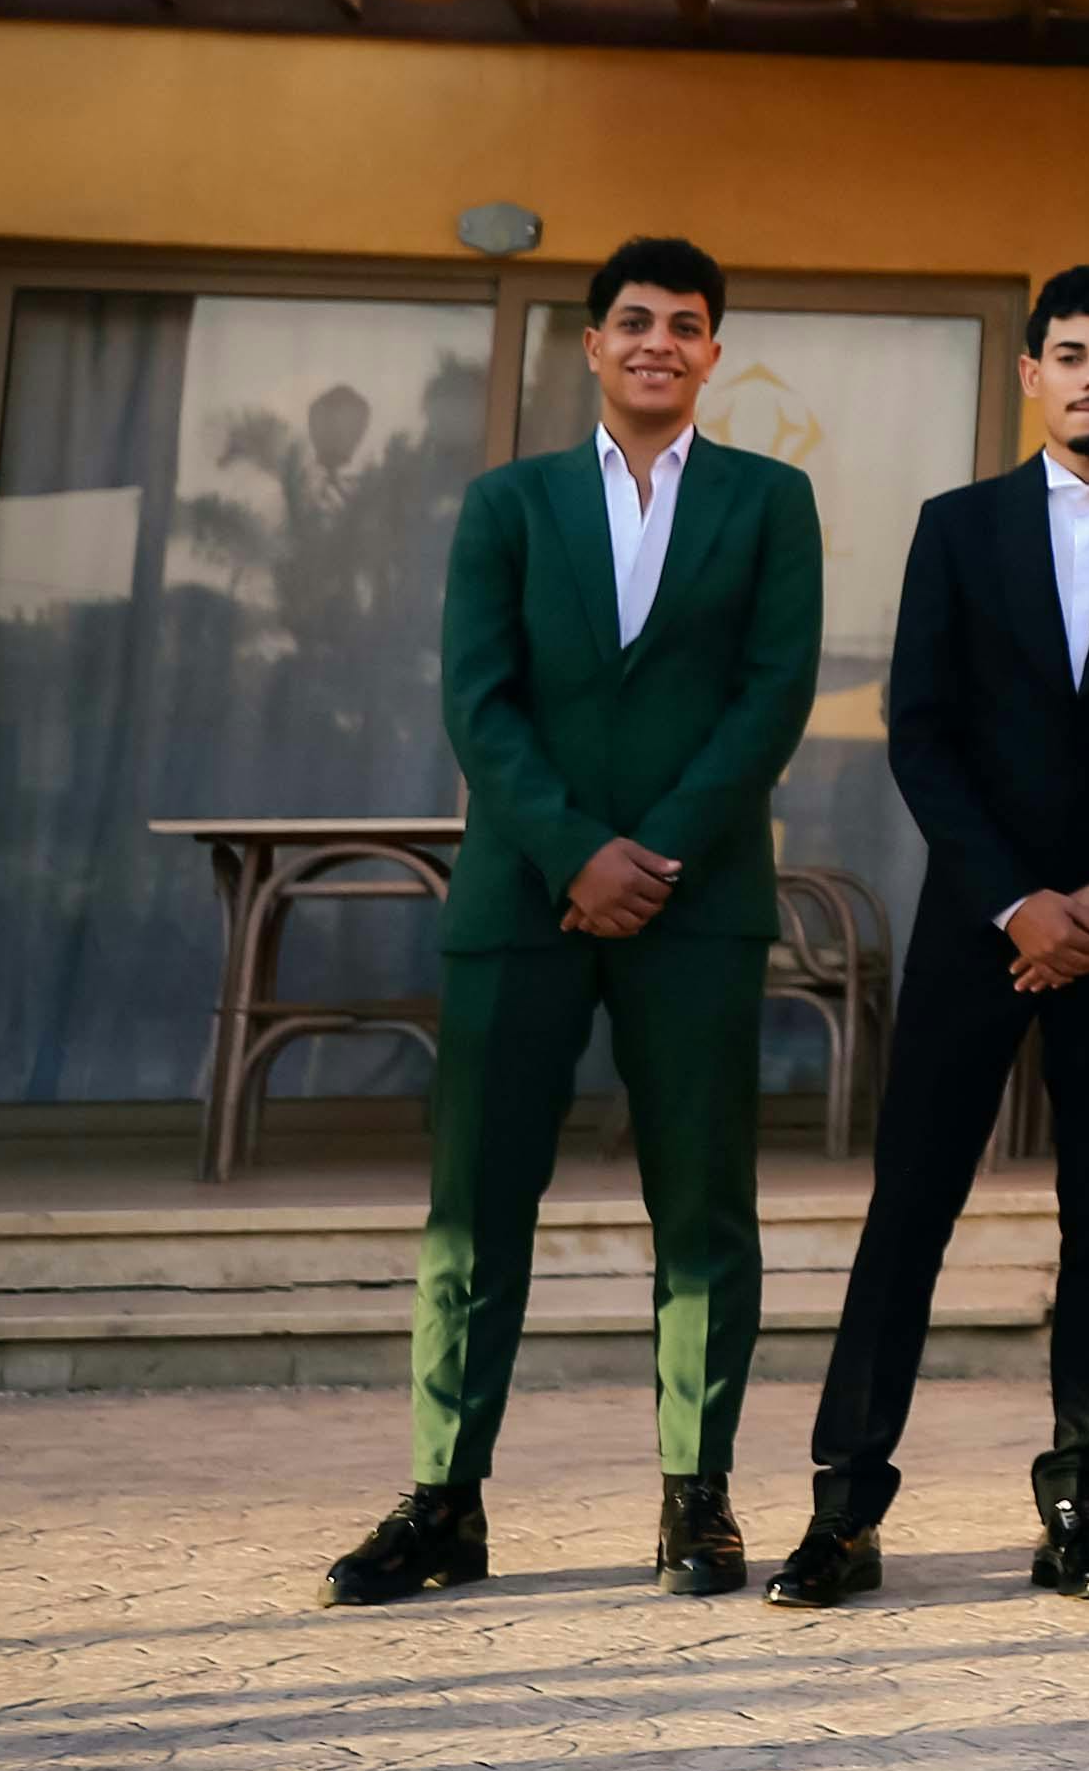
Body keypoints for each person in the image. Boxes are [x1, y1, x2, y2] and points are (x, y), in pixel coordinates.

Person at [323, 233, 822, 1610]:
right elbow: (477, 698)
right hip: (522, 899)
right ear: (594, 345)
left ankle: (695, 1497)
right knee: (475, 1210)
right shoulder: (510, 503)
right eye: (635, 321)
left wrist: (651, 853)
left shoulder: (770, 502)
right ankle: (443, 1500)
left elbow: (773, 697)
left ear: (714, 352)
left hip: (697, 900)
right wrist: (574, 851)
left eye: (686, 324)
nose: (660, 342)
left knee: (703, 1208)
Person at [770, 265, 1089, 1611]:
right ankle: (844, 1506)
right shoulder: (956, 527)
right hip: (980, 923)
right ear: (1031, 374)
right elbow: (922, 731)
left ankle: (1079, 1505)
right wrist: (1018, 900)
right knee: (911, 1206)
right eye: (1070, 353)